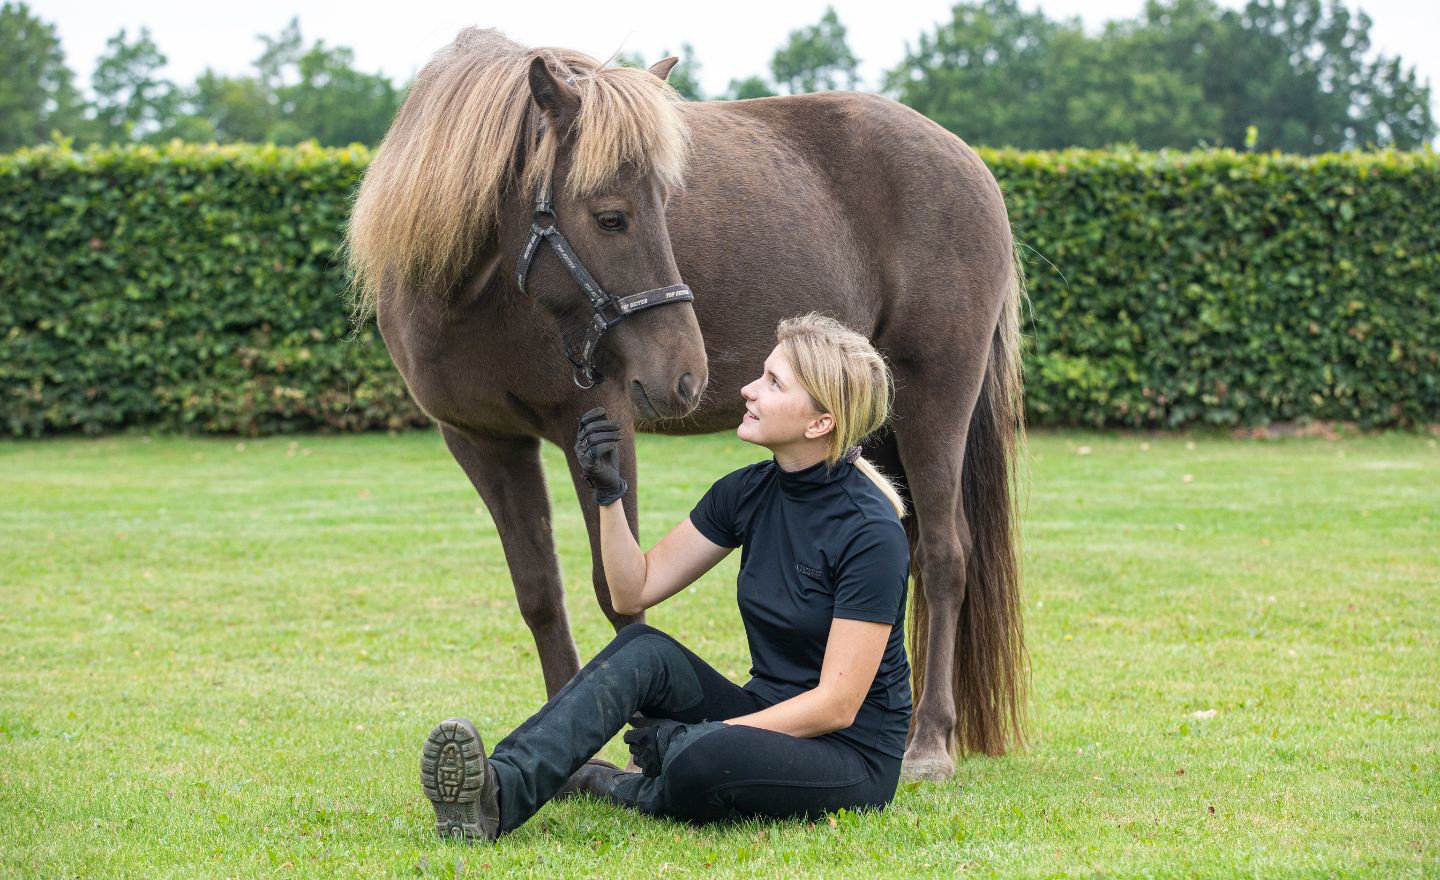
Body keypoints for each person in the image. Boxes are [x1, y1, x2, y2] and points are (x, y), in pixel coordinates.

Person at [420, 313, 911, 842]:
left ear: (820, 423)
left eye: (773, 383)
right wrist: (608, 495)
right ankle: (498, 791)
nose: (747, 390)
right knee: (643, 650)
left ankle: (610, 786)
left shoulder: (870, 532)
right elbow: (635, 590)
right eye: (761, 375)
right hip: (765, 714)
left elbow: (837, 706)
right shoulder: (746, 491)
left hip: (848, 753)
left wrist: (701, 733)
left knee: (702, 757)